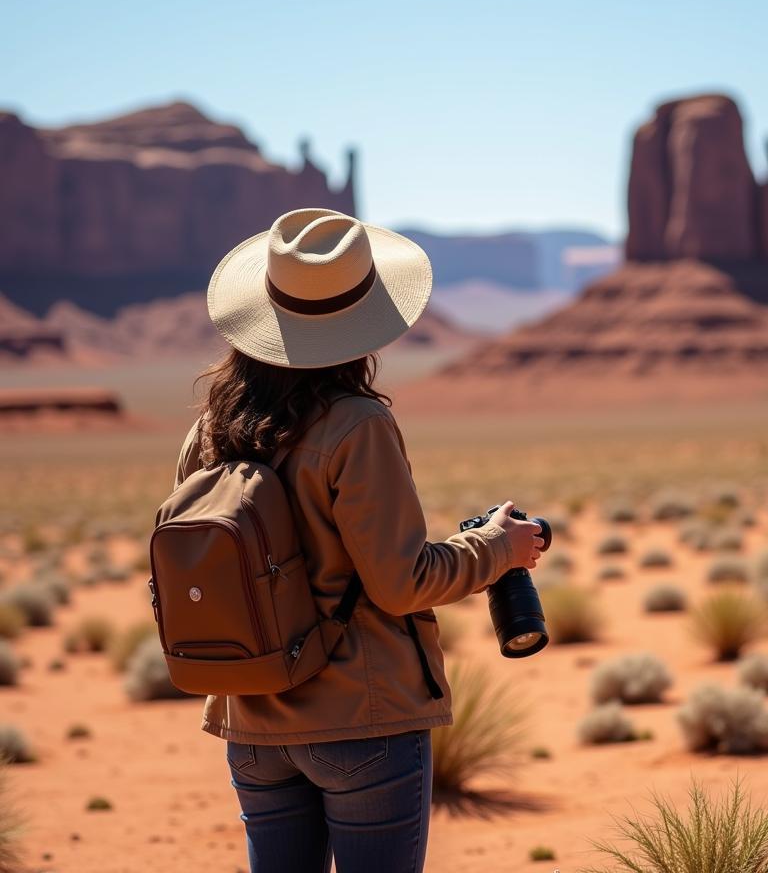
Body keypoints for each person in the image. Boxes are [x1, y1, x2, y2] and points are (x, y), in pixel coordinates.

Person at [173, 207, 545, 873]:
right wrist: (499, 549)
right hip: (362, 723)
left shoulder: (211, 429)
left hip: (252, 724)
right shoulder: (356, 425)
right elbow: (401, 582)